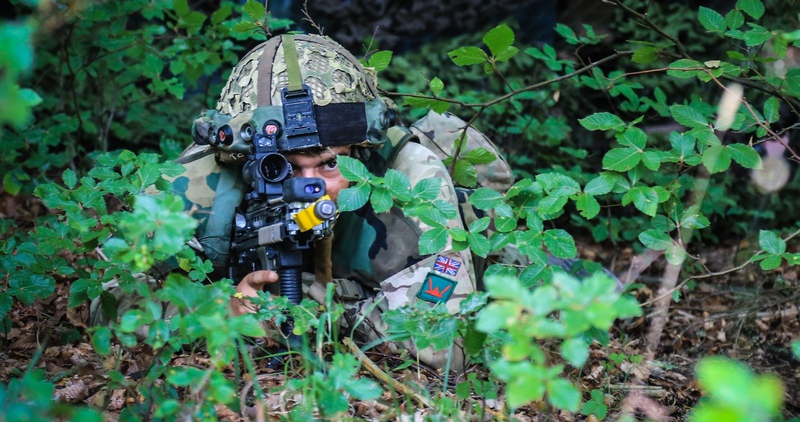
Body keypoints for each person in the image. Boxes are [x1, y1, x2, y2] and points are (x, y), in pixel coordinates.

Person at [101, 32, 512, 370]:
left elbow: (444, 349)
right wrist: (211, 316)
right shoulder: (197, 185)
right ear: (241, 160)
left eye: (331, 163)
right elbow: (105, 297)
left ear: (361, 150)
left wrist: (319, 306)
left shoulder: (405, 177)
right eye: (285, 168)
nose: (312, 187)